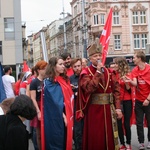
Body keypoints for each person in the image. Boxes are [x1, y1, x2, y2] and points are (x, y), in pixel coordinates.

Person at [76, 39, 122, 150]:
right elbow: (89, 88)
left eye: (99, 55)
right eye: (95, 55)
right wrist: (97, 72)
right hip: (94, 110)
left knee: (110, 138)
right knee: (96, 138)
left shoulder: (110, 72)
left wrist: (118, 108)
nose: (98, 57)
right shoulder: (85, 72)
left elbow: (116, 91)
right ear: (90, 58)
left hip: (109, 110)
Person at [43, 56, 74, 150]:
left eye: (63, 64)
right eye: (60, 64)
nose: (63, 66)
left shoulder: (63, 79)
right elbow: (54, 102)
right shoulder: (49, 82)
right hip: (56, 117)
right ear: (53, 66)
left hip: (67, 112)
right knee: (57, 139)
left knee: (65, 138)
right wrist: (63, 116)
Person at [124, 50, 150, 150]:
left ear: (139, 58)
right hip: (139, 100)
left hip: (148, 99)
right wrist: (129, 80)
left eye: (134, 57)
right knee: (139, 122)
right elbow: (134, 83)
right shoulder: (135, 70)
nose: (133, 59)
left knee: (149, 121)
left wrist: (148, 99)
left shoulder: (149, 69)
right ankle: (141, 142)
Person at [113, 57, 132, 150]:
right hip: (118, 101)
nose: (114, 65)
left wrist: (127, 82)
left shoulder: (128, 74)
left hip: (127, 100)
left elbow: (130, 90)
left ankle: (128, 143)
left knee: (127, 123)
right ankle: (122, 143)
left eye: (116, 64)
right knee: (119, 124)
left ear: (120, 64)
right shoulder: (113, 74)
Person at [30, 60, 48, 150]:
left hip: (47, 106)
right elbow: (32, 98)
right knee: (39, 133)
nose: (45, 70)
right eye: (43, 69)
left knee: (47, 132)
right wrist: (38, 111)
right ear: (38, 70)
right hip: (38, 106)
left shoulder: (47, 81)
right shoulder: (34, 82)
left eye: (46, 68)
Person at [70, 58, 83, 150]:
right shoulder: (70, 79)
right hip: (75, 108)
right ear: (72, 68)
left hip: (85, 107)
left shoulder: (85, 76)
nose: (77, 68)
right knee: (77, 131)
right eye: (75, 67)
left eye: (79, 66)